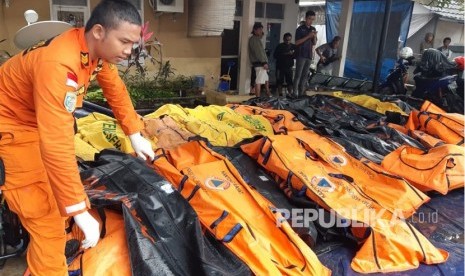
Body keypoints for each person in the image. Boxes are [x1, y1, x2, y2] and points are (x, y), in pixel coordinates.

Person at [0, 0, 155, 275]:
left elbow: (115, 90)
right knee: (45, 221)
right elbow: (56, 144)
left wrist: (134, 133)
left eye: (133, 44)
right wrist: (80, 211)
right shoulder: (59, 64)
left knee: (56, 207)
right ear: (98, 31)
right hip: (11, 130)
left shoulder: (92, 52)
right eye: (125, 42)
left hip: (34, 124)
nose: (129, 51)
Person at [293, 10, 318, 97]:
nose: (311, 21)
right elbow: (296, 42)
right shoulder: (300, 29)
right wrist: (308, 36)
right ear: (306, 18)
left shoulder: (313, 29)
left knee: (305, 76)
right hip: (301, 54)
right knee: (298, 75)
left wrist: (314, 36)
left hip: (309, 55)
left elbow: (314, 43)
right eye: (309, 19)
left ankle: (301, 93)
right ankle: (294, 93)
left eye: (312, 19)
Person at [248, 22, 271, 97]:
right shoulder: (254, 39)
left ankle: (268, 94)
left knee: (265, 79)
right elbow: (258, 52)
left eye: (262, 29)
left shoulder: (257, 39)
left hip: (261, 63)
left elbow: (261, 52)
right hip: (259, 63)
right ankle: (258, 97)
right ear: (255, 30)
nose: (261, 31)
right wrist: (264, 62)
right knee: (259, 81)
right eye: (260, 29)